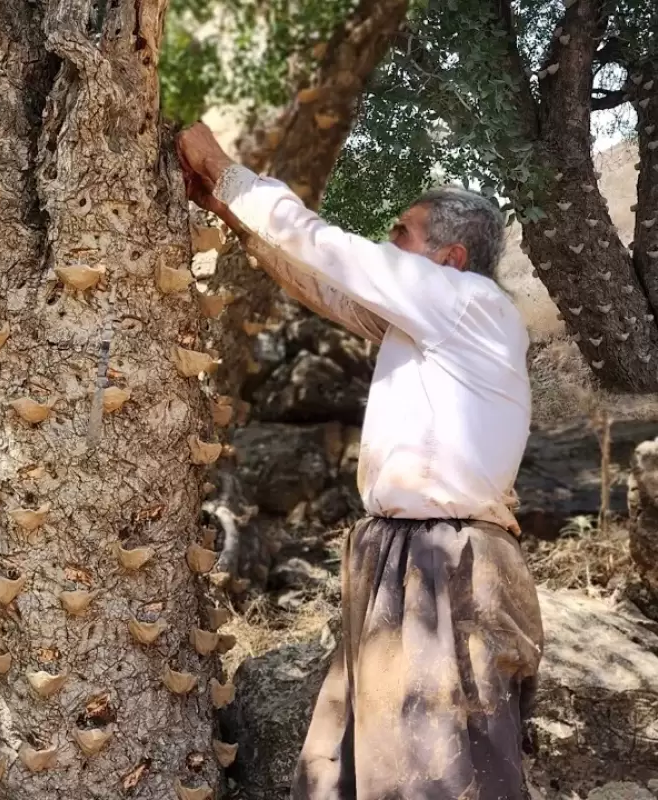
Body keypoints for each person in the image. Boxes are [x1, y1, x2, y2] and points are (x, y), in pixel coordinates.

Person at [176, 122, 544, 800]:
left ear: (451, 257)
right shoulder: (430, 321)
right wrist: (229, 212)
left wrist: (226, 171)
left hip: (449, 565)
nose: (387, 245)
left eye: (402, 234)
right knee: (371, 758)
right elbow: (328, 290)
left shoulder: (470, 304)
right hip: (407, 555)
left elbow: (331, 250)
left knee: (443, 768)